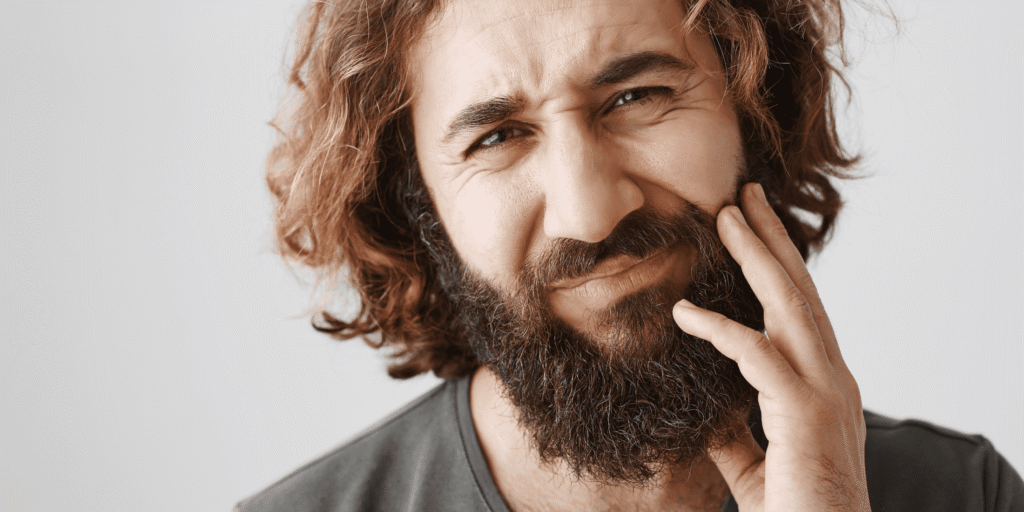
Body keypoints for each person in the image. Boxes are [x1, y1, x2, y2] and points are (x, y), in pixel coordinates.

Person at [237, 0, 1024, 510]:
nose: (590, 213)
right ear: (417, 206)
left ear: (756, 110)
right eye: (498, 137)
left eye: (636, 96)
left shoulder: (965, 494)